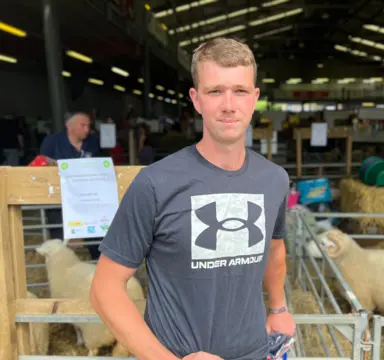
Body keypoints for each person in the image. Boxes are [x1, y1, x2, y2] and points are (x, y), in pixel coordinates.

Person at [90, 37, 295, 360]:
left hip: (255, 351)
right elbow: (104, 289)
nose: (229, 104)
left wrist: (279, 306)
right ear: (196, 100)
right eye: (215, 91)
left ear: (254, 98)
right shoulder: (155, 184)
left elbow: (275, 247)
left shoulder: (273, 180)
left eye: (240, 91)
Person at [39, 112, 102, 260]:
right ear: (69, 125)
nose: (87, 129)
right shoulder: (52, 141)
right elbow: (42, 162)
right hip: (59, 199)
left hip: (87, 198)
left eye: (89, 126)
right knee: (59, 239)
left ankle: (98, 268)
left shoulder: (93, 142)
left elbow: (101, 164)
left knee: (95, 237)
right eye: (83, 125)